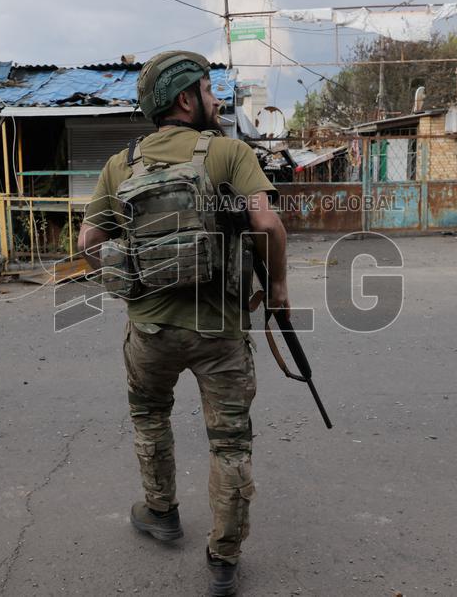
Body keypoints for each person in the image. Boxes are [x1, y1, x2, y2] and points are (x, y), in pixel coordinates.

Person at [77, 50, 289, 596]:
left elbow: (87, 244)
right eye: (208, 88)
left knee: (150, 415)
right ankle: (223, 560)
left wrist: (131, 275)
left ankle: (161, 513)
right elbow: (267, 223)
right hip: (219, 331)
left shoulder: (120, 165)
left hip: (148, 331)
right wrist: (280, 290)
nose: (216, 98)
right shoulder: (228, 151)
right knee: (230, 442)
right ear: (185, 99)